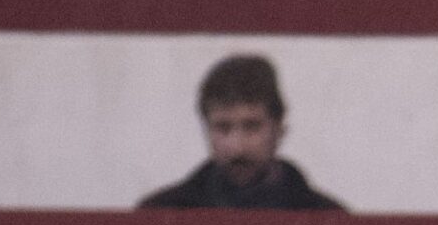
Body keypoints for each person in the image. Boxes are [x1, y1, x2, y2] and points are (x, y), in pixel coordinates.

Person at [139, 55, 346, 212]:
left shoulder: (326, 218)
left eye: (252, 127)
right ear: (207, 131)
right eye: (223, 128)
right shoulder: (160, 215)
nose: (237, 146)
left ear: (279, 130)